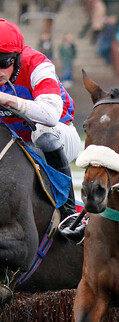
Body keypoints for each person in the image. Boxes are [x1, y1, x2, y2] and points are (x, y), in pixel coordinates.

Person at [0, 19, 83, 242]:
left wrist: (8, 99)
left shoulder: (38, 65)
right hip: (17, 147)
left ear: (17, 57)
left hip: (60, 137)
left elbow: (50, 115)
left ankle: (69, 214)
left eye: (3, 62)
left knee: (43, 133)